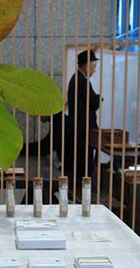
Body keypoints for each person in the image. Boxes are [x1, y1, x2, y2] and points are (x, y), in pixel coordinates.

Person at [43, 49, 101, 188]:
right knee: (83, 165)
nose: (94, 70)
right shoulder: (81, 81)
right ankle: (81, 190)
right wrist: (99, 97)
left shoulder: (76, 79)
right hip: (83, 130)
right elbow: (94, 103)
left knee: (81, 164)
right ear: (86, 65)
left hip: (81, 129)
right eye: (93, 66)